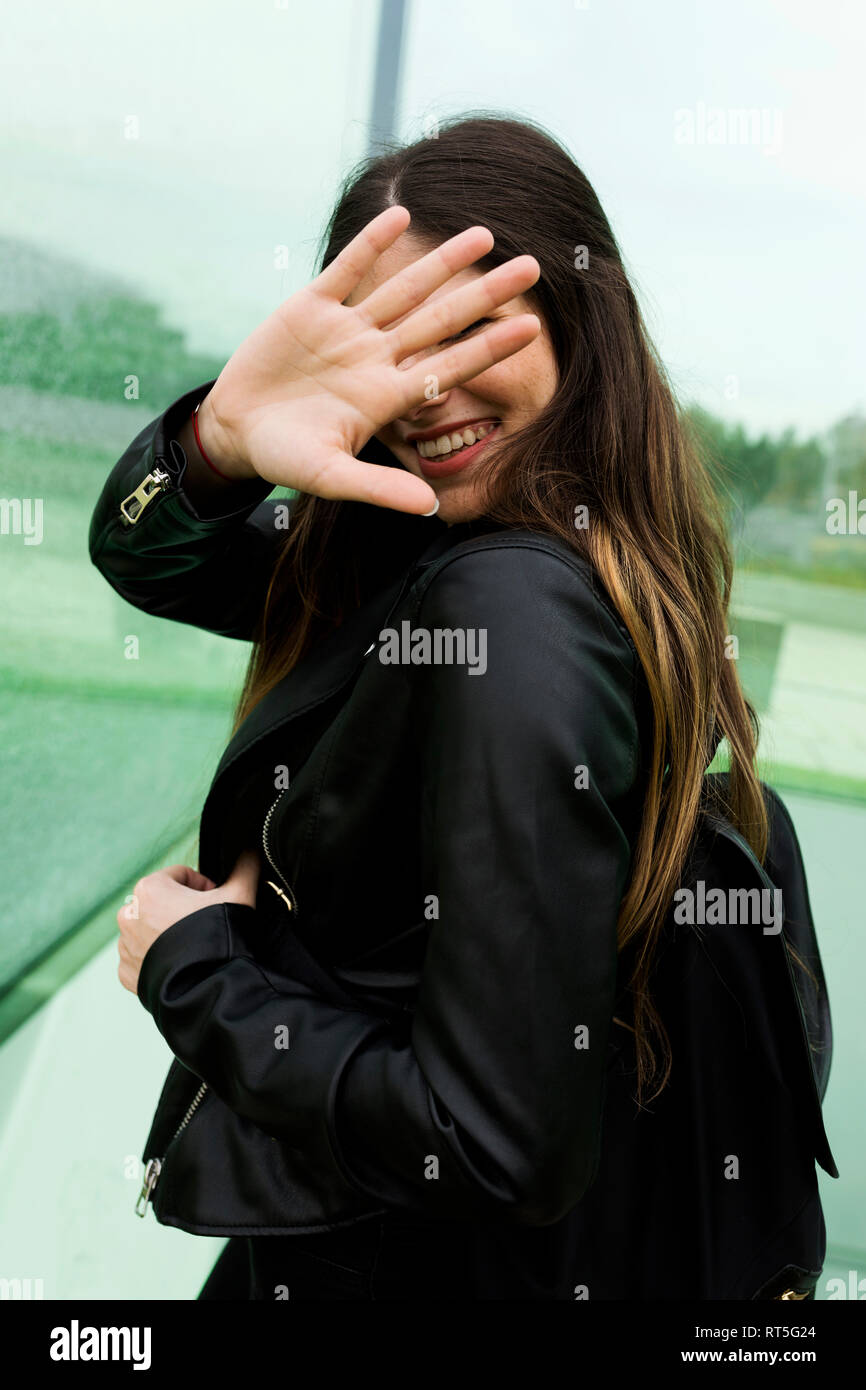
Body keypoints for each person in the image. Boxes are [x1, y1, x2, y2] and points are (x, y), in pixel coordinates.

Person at [89, 114, 835, 1301]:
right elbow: (156, 560)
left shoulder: (506, 607)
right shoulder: (457, 532)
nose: (426, 387)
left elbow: (492, 1140)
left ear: (580, 324)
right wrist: (220, 443)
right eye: (389, 339)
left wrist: (196, 968)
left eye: (470, 321)